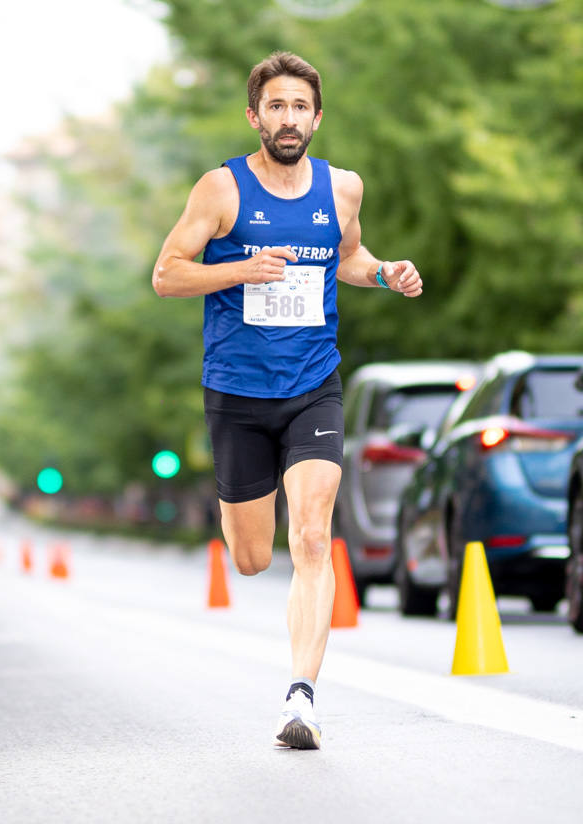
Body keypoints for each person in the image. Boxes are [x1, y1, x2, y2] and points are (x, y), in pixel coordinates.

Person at [152, 51, 422, 750]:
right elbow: (166, 275)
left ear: (318, 117)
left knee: (310, 535)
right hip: (237, 392)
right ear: (255, 116)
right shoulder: (221, 189)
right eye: (275, 106)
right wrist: (242, 267)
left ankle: (301, 697)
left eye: (300, 106)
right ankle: (246, 528)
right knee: (249, 557)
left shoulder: (344, 189)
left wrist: (385, 272)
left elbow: (348, 258)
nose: (288, 117)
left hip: (313, 386)